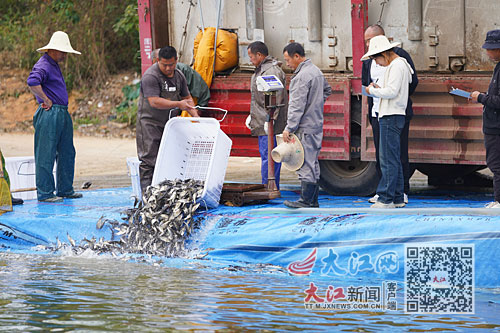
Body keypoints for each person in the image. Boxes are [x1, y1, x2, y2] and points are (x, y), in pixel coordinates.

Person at [362, 25, 418, 205]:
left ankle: (386, 197)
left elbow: (392, 91)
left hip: (390, 114)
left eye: (376, 58)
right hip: (392, 113)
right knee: (392, 157)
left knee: (388, 159)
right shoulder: (401, 64)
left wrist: (373, 91)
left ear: (384, 54)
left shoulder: (396, 66)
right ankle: (397, 196)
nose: (376, 63)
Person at [27, 31, 82, 203]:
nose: (65, 55)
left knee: (67, 152)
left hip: (61, 111)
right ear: (52, 50)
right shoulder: (44, 64)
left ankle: (65, 189)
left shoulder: (53, 64)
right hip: (50, 113)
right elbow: (32, 82)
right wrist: (46, 99)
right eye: (62, 51)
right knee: (46, 153)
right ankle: (45, 193)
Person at [137, 46, 198, 193]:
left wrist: (196, 116)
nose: (169, 68)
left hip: (170, 124)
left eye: (172, 64)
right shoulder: (151, 76)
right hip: (149, 124)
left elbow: (187, 98)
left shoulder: (179, 76)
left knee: (170, 158)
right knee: (149, 160)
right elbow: (154, 101)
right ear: (158, 61)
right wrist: (178, 104)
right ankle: (148, 196)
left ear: (176, 61)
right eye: (165, 65)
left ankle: (165, 193)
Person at [282, 42, 332, 208]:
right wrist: (316, 105)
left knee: (304, 163)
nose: (287, 63)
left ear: (297, 56)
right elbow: (327, 90)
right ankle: (313, 199)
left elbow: (296, 106)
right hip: (316, 124)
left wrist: (289, 128)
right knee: (313, 162)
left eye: (288, 59)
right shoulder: (316, 71)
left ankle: (307, 200)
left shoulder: (302, 76)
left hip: (305, 127)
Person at [247, 41, 288, 189]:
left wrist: (271, 119)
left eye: (251, 57)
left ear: (259, 55)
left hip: (270, 123)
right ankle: (268, 186)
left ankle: (269, 188)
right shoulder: (261, 69)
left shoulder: (270, 71)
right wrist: (252, 115)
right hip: (262, 119)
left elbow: (277, 98)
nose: (250, 60)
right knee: (267, 156)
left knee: (269, 157)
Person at [471, 29, 500, 208]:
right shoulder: (498, 67)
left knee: (496, 165)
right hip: (493, 125)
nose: (488, 52)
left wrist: (480, 97)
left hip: (496, 126)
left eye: (491, 49)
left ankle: (499, 200)